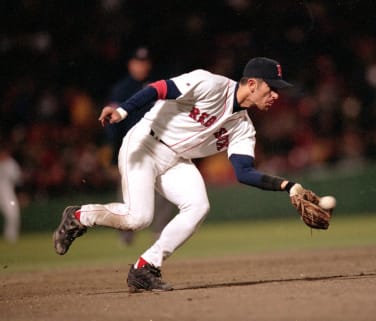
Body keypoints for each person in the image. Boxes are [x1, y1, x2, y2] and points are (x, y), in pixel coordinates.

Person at [53, 57, 326, 292]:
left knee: (198, 207)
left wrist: (289, 186)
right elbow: (159, 88)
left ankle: (145, 267)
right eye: (272, 87)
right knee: (139, 218)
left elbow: (243, 172)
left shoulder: (243, 127)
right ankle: (79, 216)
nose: (276, 94)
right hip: (145, 144)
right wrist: (124, 110)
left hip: (176, 160)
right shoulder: (210, 84)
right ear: (252, 84)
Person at [106, 46, 176, 245]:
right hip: (131, 147)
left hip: (157, 145)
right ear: (130, 64)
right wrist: (113, 154)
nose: (142, 66)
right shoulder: (121, 89)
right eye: (138, 62)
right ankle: (126, 233)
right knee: (128, 191)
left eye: (145, 62)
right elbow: (113, 125)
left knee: (163, 188)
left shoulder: (157, 85)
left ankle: (161, 232)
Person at [0, 142, 22, 243]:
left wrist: (20, 193)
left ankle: (10, 237)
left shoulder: (11, 163)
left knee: (13, 214)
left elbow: (18, 180)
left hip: (7, 193)